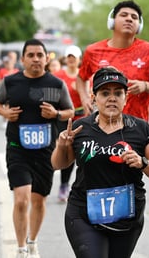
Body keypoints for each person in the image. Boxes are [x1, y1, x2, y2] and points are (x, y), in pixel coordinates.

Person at [51, 67, 149, 258]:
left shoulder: (140, 129)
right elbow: (58, 164)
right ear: (94, 97)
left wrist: (142, 162)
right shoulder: (81, 128)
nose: (112, 98)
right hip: (83, 213)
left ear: (126, 97)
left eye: (118, 93)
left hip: (127, 216)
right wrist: (62, 145)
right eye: (105, 93)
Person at [0, 39, 75, 258]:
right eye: (31, 55)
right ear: (22, 59)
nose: (36, 59)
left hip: (46, 150)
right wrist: (5, 113)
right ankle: (20, 249)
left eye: (40, 55)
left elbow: (71, 111)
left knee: (38, 200)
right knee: (21, 199)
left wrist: (56, 114)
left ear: (47, 59)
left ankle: (32, 242)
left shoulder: (57, 85)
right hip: (17, 148)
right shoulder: (11, 82)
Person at [76, 0, 149, 122]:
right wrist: (84, 98)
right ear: (112, 22)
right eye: (123, 15)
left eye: (134, 17)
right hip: (101, 126)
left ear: (139, 26)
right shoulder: (93, 51)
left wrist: (145, 86)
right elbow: (81, 78)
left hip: (136, 126)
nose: (129, 19)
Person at [54, 45, 86, 202]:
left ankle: (66, 185)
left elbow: (91, 97)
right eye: (69, 57)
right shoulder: (58, 75)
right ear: (66, 59)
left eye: (74, 58)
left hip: (79, 117)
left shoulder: (84, 77)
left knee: (73, 151)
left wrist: (80, 88)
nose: (71, 60)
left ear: (79, 59)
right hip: (62, 117)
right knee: (60, 149)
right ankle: (57, 181)